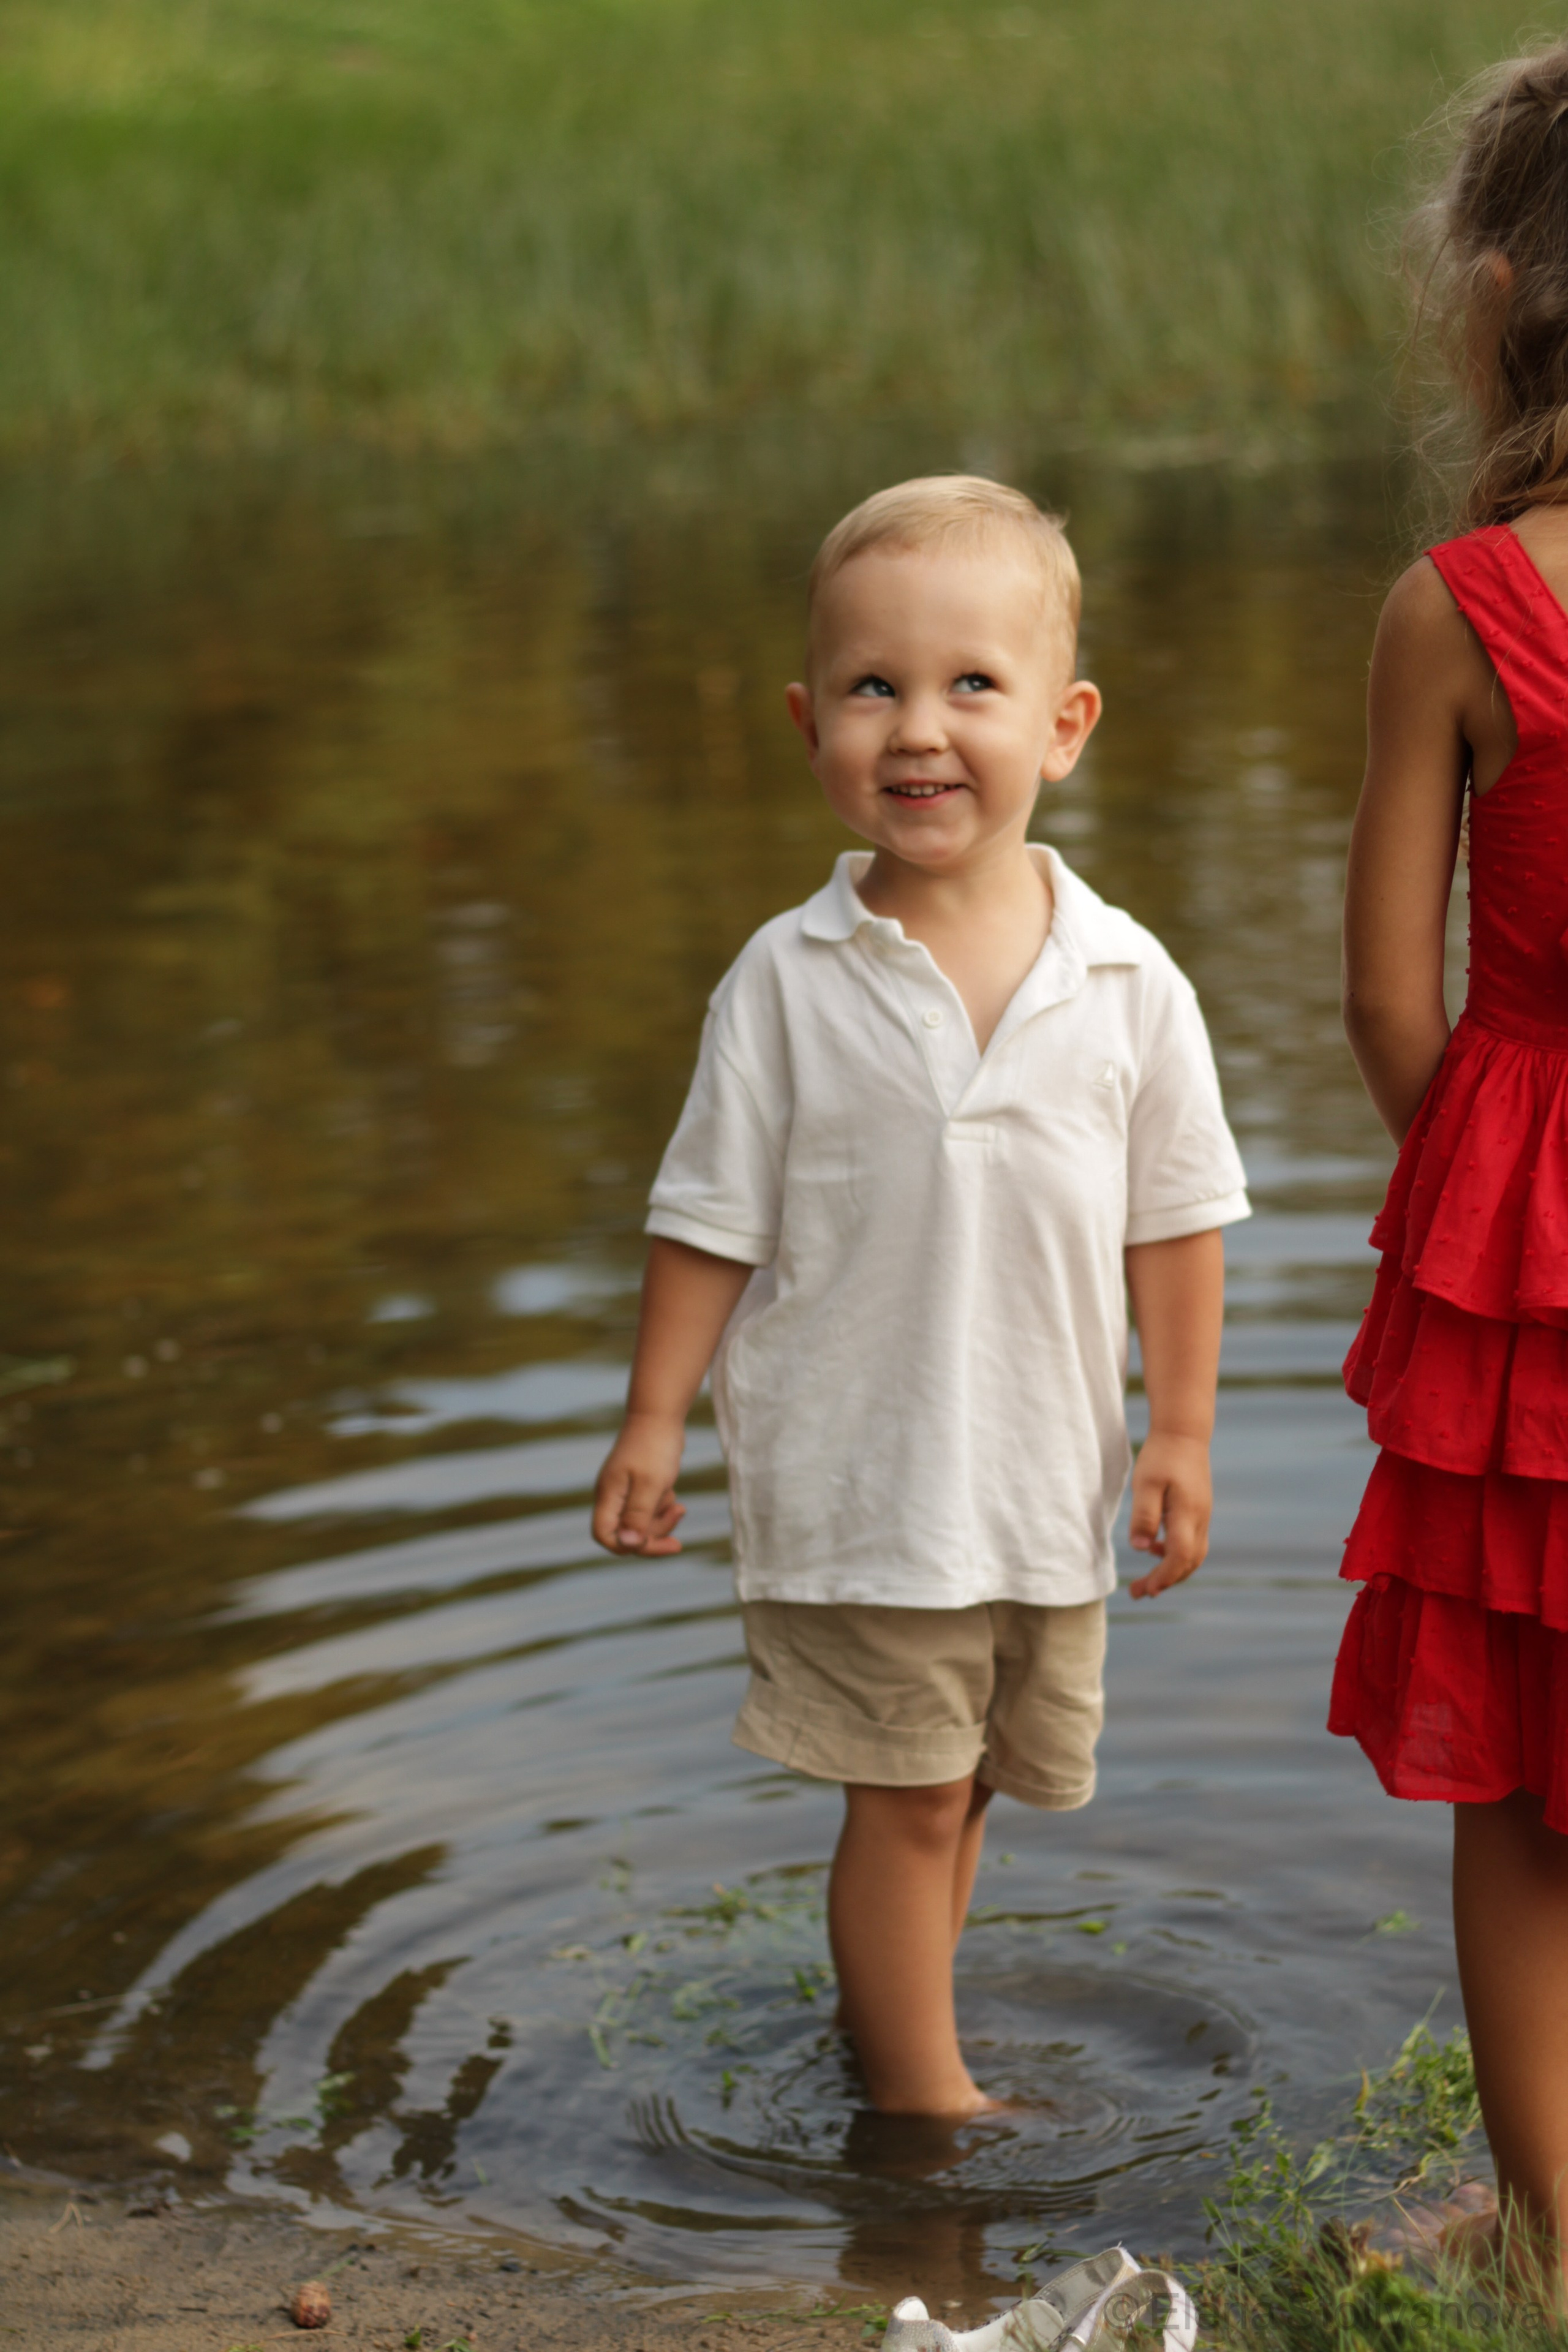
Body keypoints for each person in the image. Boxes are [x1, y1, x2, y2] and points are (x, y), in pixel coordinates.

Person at [591, 475, 1250, 2117]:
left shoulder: (1124, 978)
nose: (921, 728)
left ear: (1067, 723)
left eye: (973, 684)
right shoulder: (788, 979)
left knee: (963, 1794)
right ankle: (925, 2113)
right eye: (875, 688)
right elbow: (708, 1221)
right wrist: (652, 1424)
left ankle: (897, 2034)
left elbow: (1176, 1221)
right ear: (811, 722)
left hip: (1039, 1478)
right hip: (866, 1477)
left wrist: (1180, 1435)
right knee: (902, 1797)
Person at [1330, 42, 1568, 2290]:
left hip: (1537, 1266)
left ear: (1500, 300)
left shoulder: (1469, 603)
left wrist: (1496, 1200)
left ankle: (1549, 2247)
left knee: (1525, 1788)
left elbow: (1394, 1003)